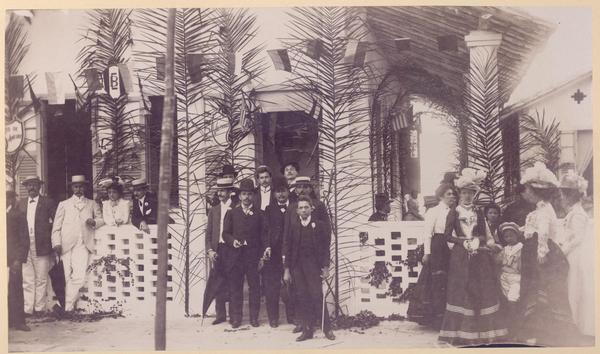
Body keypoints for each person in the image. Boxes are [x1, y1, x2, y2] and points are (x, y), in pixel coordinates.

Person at [439, 168, 507, 345]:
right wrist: (462, 242)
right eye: (464, 193)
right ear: (459, 193)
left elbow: (484, 235)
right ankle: (460, 334)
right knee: (462, 290)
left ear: (474, 194)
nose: (467, 196)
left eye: (471, 193)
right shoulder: (453, 212)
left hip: (479, 257)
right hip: (460, 257)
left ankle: (484, 334)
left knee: (482, 290)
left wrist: (477, 241)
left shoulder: (478, 212)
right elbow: (446, 236)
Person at [517, 162, 580, 346]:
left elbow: (543, 232)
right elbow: (533, 229)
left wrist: (542, 251)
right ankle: (535, 330)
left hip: (544, 254)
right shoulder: (539, 208)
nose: (526, 193)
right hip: (534, 251)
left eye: (528, 190)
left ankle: (549, 332)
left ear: (536, 191)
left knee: (543, 291)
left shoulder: (544, 208)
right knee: (534, 291)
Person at [283, 195, 335, 341]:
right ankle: (307, 330)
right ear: (297, 211)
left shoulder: (319, 225)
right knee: (302, 296)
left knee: (317, 295)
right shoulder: (294, 226)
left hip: (313, 265)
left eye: (306, 207)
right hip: (297, 266)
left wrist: (325, 267)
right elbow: (287, 248)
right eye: (301, 208)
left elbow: (325, 248)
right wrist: (287, 269)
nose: (304, 210)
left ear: (311, 208)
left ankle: (327, 329)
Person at [51, 175, 104, 313]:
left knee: (79, 277)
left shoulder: (92, 203)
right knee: (66, 276)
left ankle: (65, 306)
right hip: (65, 244)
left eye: (81, 186)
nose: (78, 189)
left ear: (85, 187)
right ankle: (67, 307)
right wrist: (56, 243)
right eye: (76, 186)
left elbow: (101, 219)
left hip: (83, 244)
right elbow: (56, 227)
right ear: (72, 188)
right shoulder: (64, 204)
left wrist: (94, 222)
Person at [406, 182, 456, 329]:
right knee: (436, 282)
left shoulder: (455, 211)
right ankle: (436, 320)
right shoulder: (433, 211)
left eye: (453, 194)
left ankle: (448, 319)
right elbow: (428, 234)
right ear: (441, 196)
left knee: (449, 281)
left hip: (451, 247)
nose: (452, 196)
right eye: (449, 194)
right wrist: (427, 253)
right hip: (438, 248)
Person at [222, 178, 266, 328]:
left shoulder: (260, 214)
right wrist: (232, 241)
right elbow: (225, 233)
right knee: (236, 287)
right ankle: (236, 318)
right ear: (239, 196)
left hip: (253, 257)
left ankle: (254, 318)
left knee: (255, 288)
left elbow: (263, 236)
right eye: (244, 194)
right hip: (236, 257)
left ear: (253, 196)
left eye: (249, 194)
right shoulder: (232, 213)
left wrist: (261, 255)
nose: (246, 197)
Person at [559, 170, 594, 337]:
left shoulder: (578, 213)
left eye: (565, 194)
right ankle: (572, 322)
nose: (563, 197)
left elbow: (578, 238)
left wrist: (563, 251)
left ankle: (576, 325)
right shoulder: (573, 212)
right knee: (571, 287)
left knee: (575, 287)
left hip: (576, 256)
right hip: (572, 253)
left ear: (572, 196)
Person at [16, 176, 56, 316]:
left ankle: (39, 308)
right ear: (26, 187)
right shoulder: (20, 203)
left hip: (42, 244)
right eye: (29, 185)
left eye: (34, 185)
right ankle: (28, 309)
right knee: (27, 278)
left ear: (39, 187)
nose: (31, 188)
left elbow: (56, 222)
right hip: (25, 245)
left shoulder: (47, 202)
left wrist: (47, 235)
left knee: (41, 277)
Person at [262, 176, 295, 328]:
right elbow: (265, 230)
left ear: (288, 192)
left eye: (283, 191)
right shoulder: (269, 210)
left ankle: (292, 316)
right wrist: (267, 246)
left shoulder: (295, 208)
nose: (281, 195)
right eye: (278, 192)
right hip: (273, 253)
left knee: (291, 284)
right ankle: (273, 318)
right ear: (274, 194)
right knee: (272, 286)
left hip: (291, 252)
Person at [205, 177, 236, 325]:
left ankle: (234, 316)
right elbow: (209, 233)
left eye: (223, 191)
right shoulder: (214, 210)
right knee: (218, 282)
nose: (220, 194)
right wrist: (210, 250)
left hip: (232, 250)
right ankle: (220, 314)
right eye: (219, 191)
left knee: (233, 282)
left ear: (230, 192)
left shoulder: (236, 207)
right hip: (218, 250)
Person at [7, 188, 31, 331]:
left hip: (13, 258)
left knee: (15, 289)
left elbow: (24, 239)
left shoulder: (18, 215)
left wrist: (18, 259)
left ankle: (18, 321)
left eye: (8, 198)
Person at [495, 222, 523, 337]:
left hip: (515, 277)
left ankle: (514, 328)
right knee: (505, 300)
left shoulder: (521, 248)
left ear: (517, 235)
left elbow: (522, 265)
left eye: (511, 235)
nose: (509, 238)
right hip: (504, 277)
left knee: (513, 300)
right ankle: (506, 327)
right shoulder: (505, 249)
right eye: (506, 236)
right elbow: (498, 261)